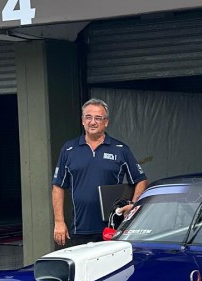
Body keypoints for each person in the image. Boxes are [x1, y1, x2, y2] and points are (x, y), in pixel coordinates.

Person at [52, 99, 148, 247]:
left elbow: (140, 180)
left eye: (98, 118)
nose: (92, 122)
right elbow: (58, 187)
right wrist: (59, 222)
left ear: (106, 122)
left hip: (113, 229)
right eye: (88, 117)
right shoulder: (69, 149)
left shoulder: (120, 149)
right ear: (82, 121)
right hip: (79, 229)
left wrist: (133, 206)